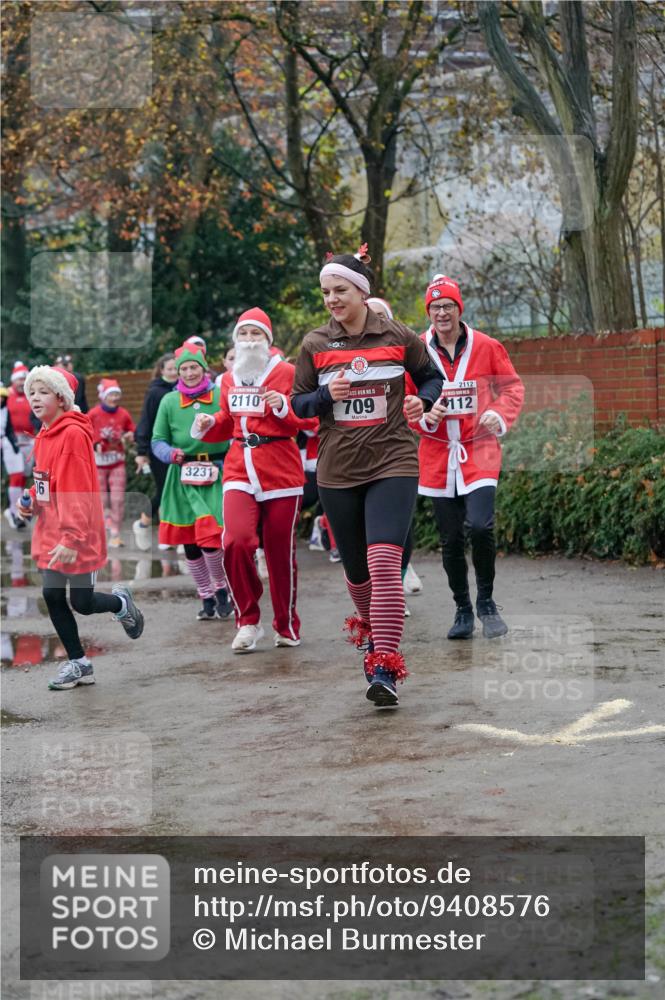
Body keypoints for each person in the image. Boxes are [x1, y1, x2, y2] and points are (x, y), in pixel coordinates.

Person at [291, 247, 442, 708]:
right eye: (326, 292)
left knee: (383, 565)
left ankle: (384, 665)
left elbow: (431, 377)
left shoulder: (397, 334)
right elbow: (297, 406)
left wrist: (423, 402)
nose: (332, 299)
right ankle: (371, 630)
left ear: (361, 291)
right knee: (358, 575)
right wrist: (323, 394)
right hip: (338, 470)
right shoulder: (316, 344)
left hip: (393, 461)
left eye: (340, 290)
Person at [17, 365, 144, 690]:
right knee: (52, 595)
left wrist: (73, 538)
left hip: (77, 534)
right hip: (51, 531)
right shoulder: (45, 432)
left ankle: (120, 603)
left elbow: (77, 489)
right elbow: (47, 481)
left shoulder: (72, 434)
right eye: (31, 391)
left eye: (43, 391)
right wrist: (29, 499)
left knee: (82, 603)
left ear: (61, 397)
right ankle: (80, 664)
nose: (34, 398)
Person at [414, 274, 524, 639]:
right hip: (436, 453)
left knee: (480, 526)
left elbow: (512, 387)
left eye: (448, 305)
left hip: (479, 449)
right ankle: (462, 608)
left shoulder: (487, 346)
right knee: (450, 538)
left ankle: (487, 603)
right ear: (428, 311)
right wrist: (422, 416)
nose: (442, 312)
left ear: (459, 308)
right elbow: (403, 400)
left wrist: (499, 413)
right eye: (435, 307)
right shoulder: (415, 350)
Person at [193, 308, 305, 653]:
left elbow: (306, 419)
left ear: (268, 340)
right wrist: (210, 423)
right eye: (244, 335)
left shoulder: (287, 372)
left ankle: (285, 624)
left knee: (278, 552)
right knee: (235, 541)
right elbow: (229, 419)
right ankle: (247, 619)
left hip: (281, 468)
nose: (249, 340)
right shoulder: (228, 378)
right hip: (239, 466)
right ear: (235, 342)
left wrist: (284, 407)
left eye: (256, 334)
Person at [151, 340, 232, 620]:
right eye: (183, 368)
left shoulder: (221, 394)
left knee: (211, 537)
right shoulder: (169, 401)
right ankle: (205, 595)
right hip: (182, 475)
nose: (188, 373)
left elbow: (235, 430)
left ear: (204, 369)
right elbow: (157, 440)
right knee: (190, 540)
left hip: (216, 473)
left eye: (193, 367)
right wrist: (170, 454)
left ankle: (221, 588)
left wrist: (231, 454)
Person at [366, 296, 424, 609]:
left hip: (397, 450)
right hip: (359, 454)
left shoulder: (404, 355)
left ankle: (399, 573)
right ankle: (380, 592)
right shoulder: (348, 357)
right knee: (367, 531)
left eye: (380, 316)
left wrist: (419, 405)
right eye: (368, 315)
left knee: (402, 524)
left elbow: (426, 389)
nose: (374, 321)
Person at [133, 352, 178, 550]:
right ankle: (144, 522)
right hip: (159, 448)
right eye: (170, 368)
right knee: (165, 491)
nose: (175, 372)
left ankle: (174, 535)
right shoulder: (155, 392)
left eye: (177, 368)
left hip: (181, 447)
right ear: (162, 371)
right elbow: (145, 421)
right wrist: (142, 451)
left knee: (179, 490)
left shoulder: (184, 389)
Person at [88, 378, 135, 548]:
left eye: (117, 394)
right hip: (97, 464)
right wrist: (95, 443)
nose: (114, 398)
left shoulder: (123, 413)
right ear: (103, 396)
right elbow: (84, 431)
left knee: (118, 499)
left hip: (117, 461)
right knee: (102, 499)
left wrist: (130, 435)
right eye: (111, 394)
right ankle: (102, 526)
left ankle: (115, 532)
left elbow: (132, 429)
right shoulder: (93, 413)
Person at [3, 361, 36, 531]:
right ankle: (14, 512)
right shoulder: (5, 394)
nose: (22, 382)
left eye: (25, 379)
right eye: (19, 379)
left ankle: (19, 511)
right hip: (11, 440)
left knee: (23, 477)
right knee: (16, 476)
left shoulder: (33, 394)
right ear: (13, 380)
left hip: (30, 439)